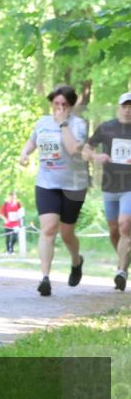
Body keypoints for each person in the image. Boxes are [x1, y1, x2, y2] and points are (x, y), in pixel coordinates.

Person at [18, 84, 89, 296]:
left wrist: (63, 124)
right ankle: (45, 278)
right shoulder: (42, 122)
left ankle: (76, 261)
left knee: (67, 234)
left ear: (71, 106)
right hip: (47, 183)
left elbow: (73, 149)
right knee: (48, 228)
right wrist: (25, 154)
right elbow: (33, 141)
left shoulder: (78, 125)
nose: (59, 108)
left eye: (64, 105)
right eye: (56, 103)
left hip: (73, 185)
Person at [83, 92, 131, 291]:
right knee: (114, 231)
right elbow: (85, 150)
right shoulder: (106, 127)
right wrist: (96, 156)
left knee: (125, 224)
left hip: (129, 186)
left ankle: (120, 270)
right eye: (125, 106)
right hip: (109, 186)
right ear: (119, 107)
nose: (128, 110)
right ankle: (124, 264)